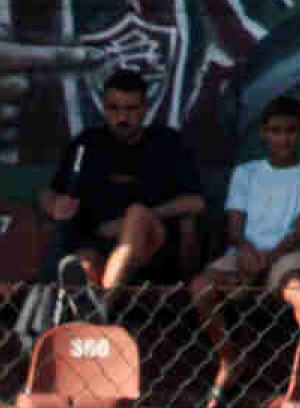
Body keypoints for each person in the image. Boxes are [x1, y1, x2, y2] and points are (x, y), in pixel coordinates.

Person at [188, 97, 300, 408]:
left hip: (289, 254)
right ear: (264, 133)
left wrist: (269, 258)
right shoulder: (246, 173)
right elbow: (235, 224)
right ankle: (229, 359)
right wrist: (248, 251)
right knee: (200, 288)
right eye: (276, 131)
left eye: (290, 131)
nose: (283, 138)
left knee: (299, 293)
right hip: (245, 252)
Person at [34, 68, 205, 320]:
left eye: (130, 109)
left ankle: (103, 308)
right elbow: (48, 194)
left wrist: (130, 221)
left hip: (150, 246)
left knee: (136, 214)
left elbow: (196, 202)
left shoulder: (167, 143)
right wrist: (55, 206)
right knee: (82, 266)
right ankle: (90, 313)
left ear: (145, 108)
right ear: (104, 108)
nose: (122, 117)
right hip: (97, 242)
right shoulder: (87, 143)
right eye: (114, 109)